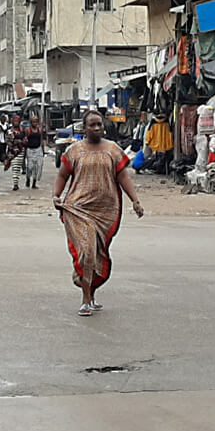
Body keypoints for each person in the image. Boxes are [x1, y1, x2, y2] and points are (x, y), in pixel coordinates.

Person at [53, 110, 144, 317]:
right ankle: (85, 300)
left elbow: (123, 177)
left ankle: (91, 294)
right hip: (78, 209)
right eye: (92, 125)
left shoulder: (113, 150)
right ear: (84, 128)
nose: (96, 128)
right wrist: (56, 195)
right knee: (86, 252)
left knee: (97, 256)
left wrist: (135, 201)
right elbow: (62, 175)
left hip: (105, 211)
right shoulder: (73, 151)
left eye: (99, 125)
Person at [5, 114, 26, 191]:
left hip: (21, 151)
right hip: (12, 151)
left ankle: (16, 182)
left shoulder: (22, 130)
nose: (16, 122)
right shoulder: (9, 131)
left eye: (17, 121)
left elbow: (25, 140)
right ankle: (15, 184)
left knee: (18, 167)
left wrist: (22, 142)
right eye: (15, 121)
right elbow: (8, 141)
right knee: (15, 167)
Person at [25, 115, 46, 189]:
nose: (35, 123)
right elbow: (25, 140)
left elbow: (41, 140)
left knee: (38, 166)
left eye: (36, 121)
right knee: (30, 167)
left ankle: (34, 183)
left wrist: (43, 151)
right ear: (31, 122)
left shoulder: (39, 130)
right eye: (33, 121)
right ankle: (28, 178)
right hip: (30, 150)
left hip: (38, 149)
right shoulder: (28, 130)